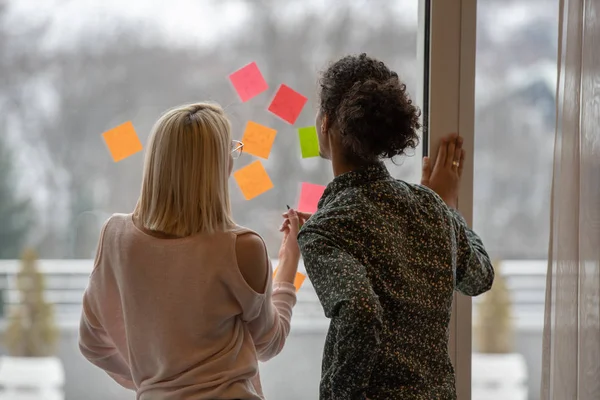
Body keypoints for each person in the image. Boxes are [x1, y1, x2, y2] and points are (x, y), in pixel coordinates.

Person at [281, 53, 495, 400]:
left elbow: (360, 309)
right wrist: (448, 208)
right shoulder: (431, 208)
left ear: (327, 122)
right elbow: (479, 276)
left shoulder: (326, 230)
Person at [78, 103, 301, 400]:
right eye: (231, 152)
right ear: (218, 167)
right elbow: (269, 343)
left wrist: (158, 383)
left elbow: (92, 343)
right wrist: (289, 262)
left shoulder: (115, 236)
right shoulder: (242, 247)